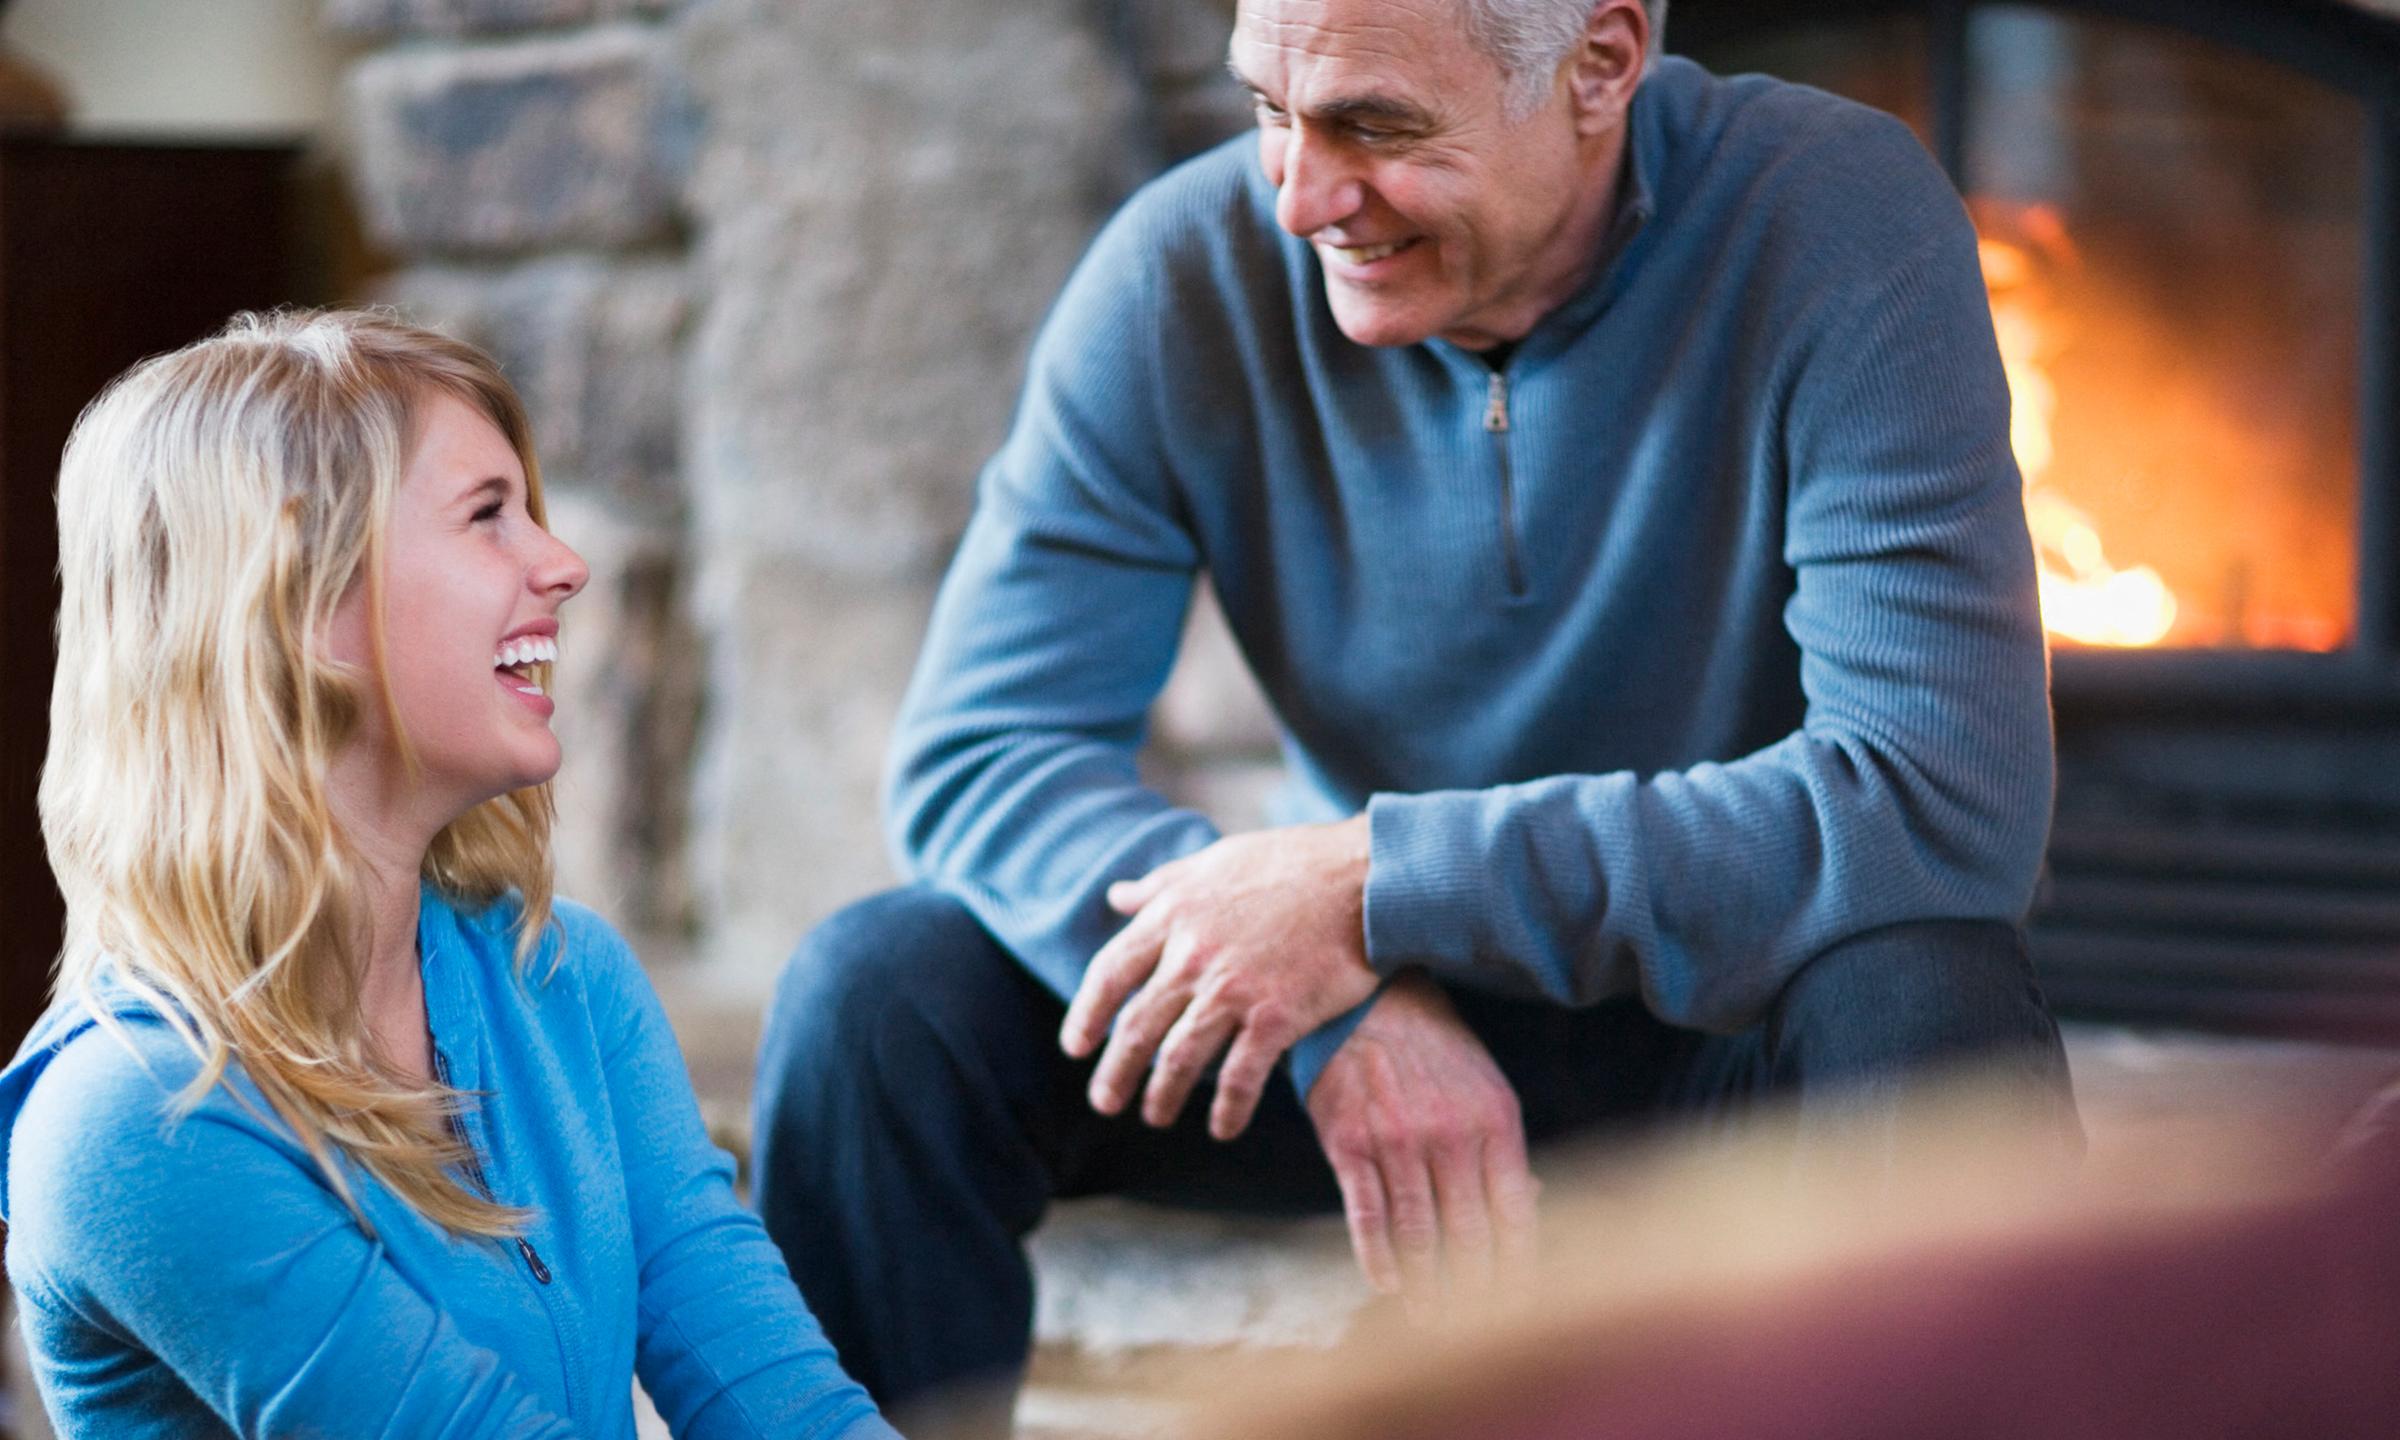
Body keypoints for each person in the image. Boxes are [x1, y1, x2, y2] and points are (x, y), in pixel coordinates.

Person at [753, 0, 2079, 1423]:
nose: (1303, 196)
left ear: (1602, 64)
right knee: (879, 999)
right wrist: (1345, 1001)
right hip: (1371, 1011)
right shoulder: (1181, 272)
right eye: (1270, 109)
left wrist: (1376, 886)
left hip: (1725, 1016)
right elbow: (981, 755)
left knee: (1926, 997)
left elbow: (1939, 801)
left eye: (1376, 128)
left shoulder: (1835, 216)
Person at [0, 311, 899, 1440]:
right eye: (488, 517)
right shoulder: (138, 1119)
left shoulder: (563, 975)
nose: (565, 565)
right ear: (298, 597)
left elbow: (785, 1404)